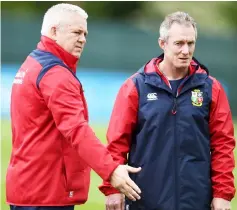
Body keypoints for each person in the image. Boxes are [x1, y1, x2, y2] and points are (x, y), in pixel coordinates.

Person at [6, 3, 142, 210]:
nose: (83, 39)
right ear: (53, 31)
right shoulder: (55, 74)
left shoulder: (32, 64)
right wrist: (111, 171)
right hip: (46, 194)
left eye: (85, 33)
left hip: (27, 189)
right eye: (77, 32)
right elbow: (76, 129)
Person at [99, 11, 236, 210]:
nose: (186, 51)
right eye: (179, 43)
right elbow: (117, 143)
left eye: (190, 43)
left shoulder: (210, 88)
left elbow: (223, 144)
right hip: (144, 199)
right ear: (162, 44)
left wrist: (223, 194)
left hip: (196, 200)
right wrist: (112, 189)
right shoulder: (135, 87)